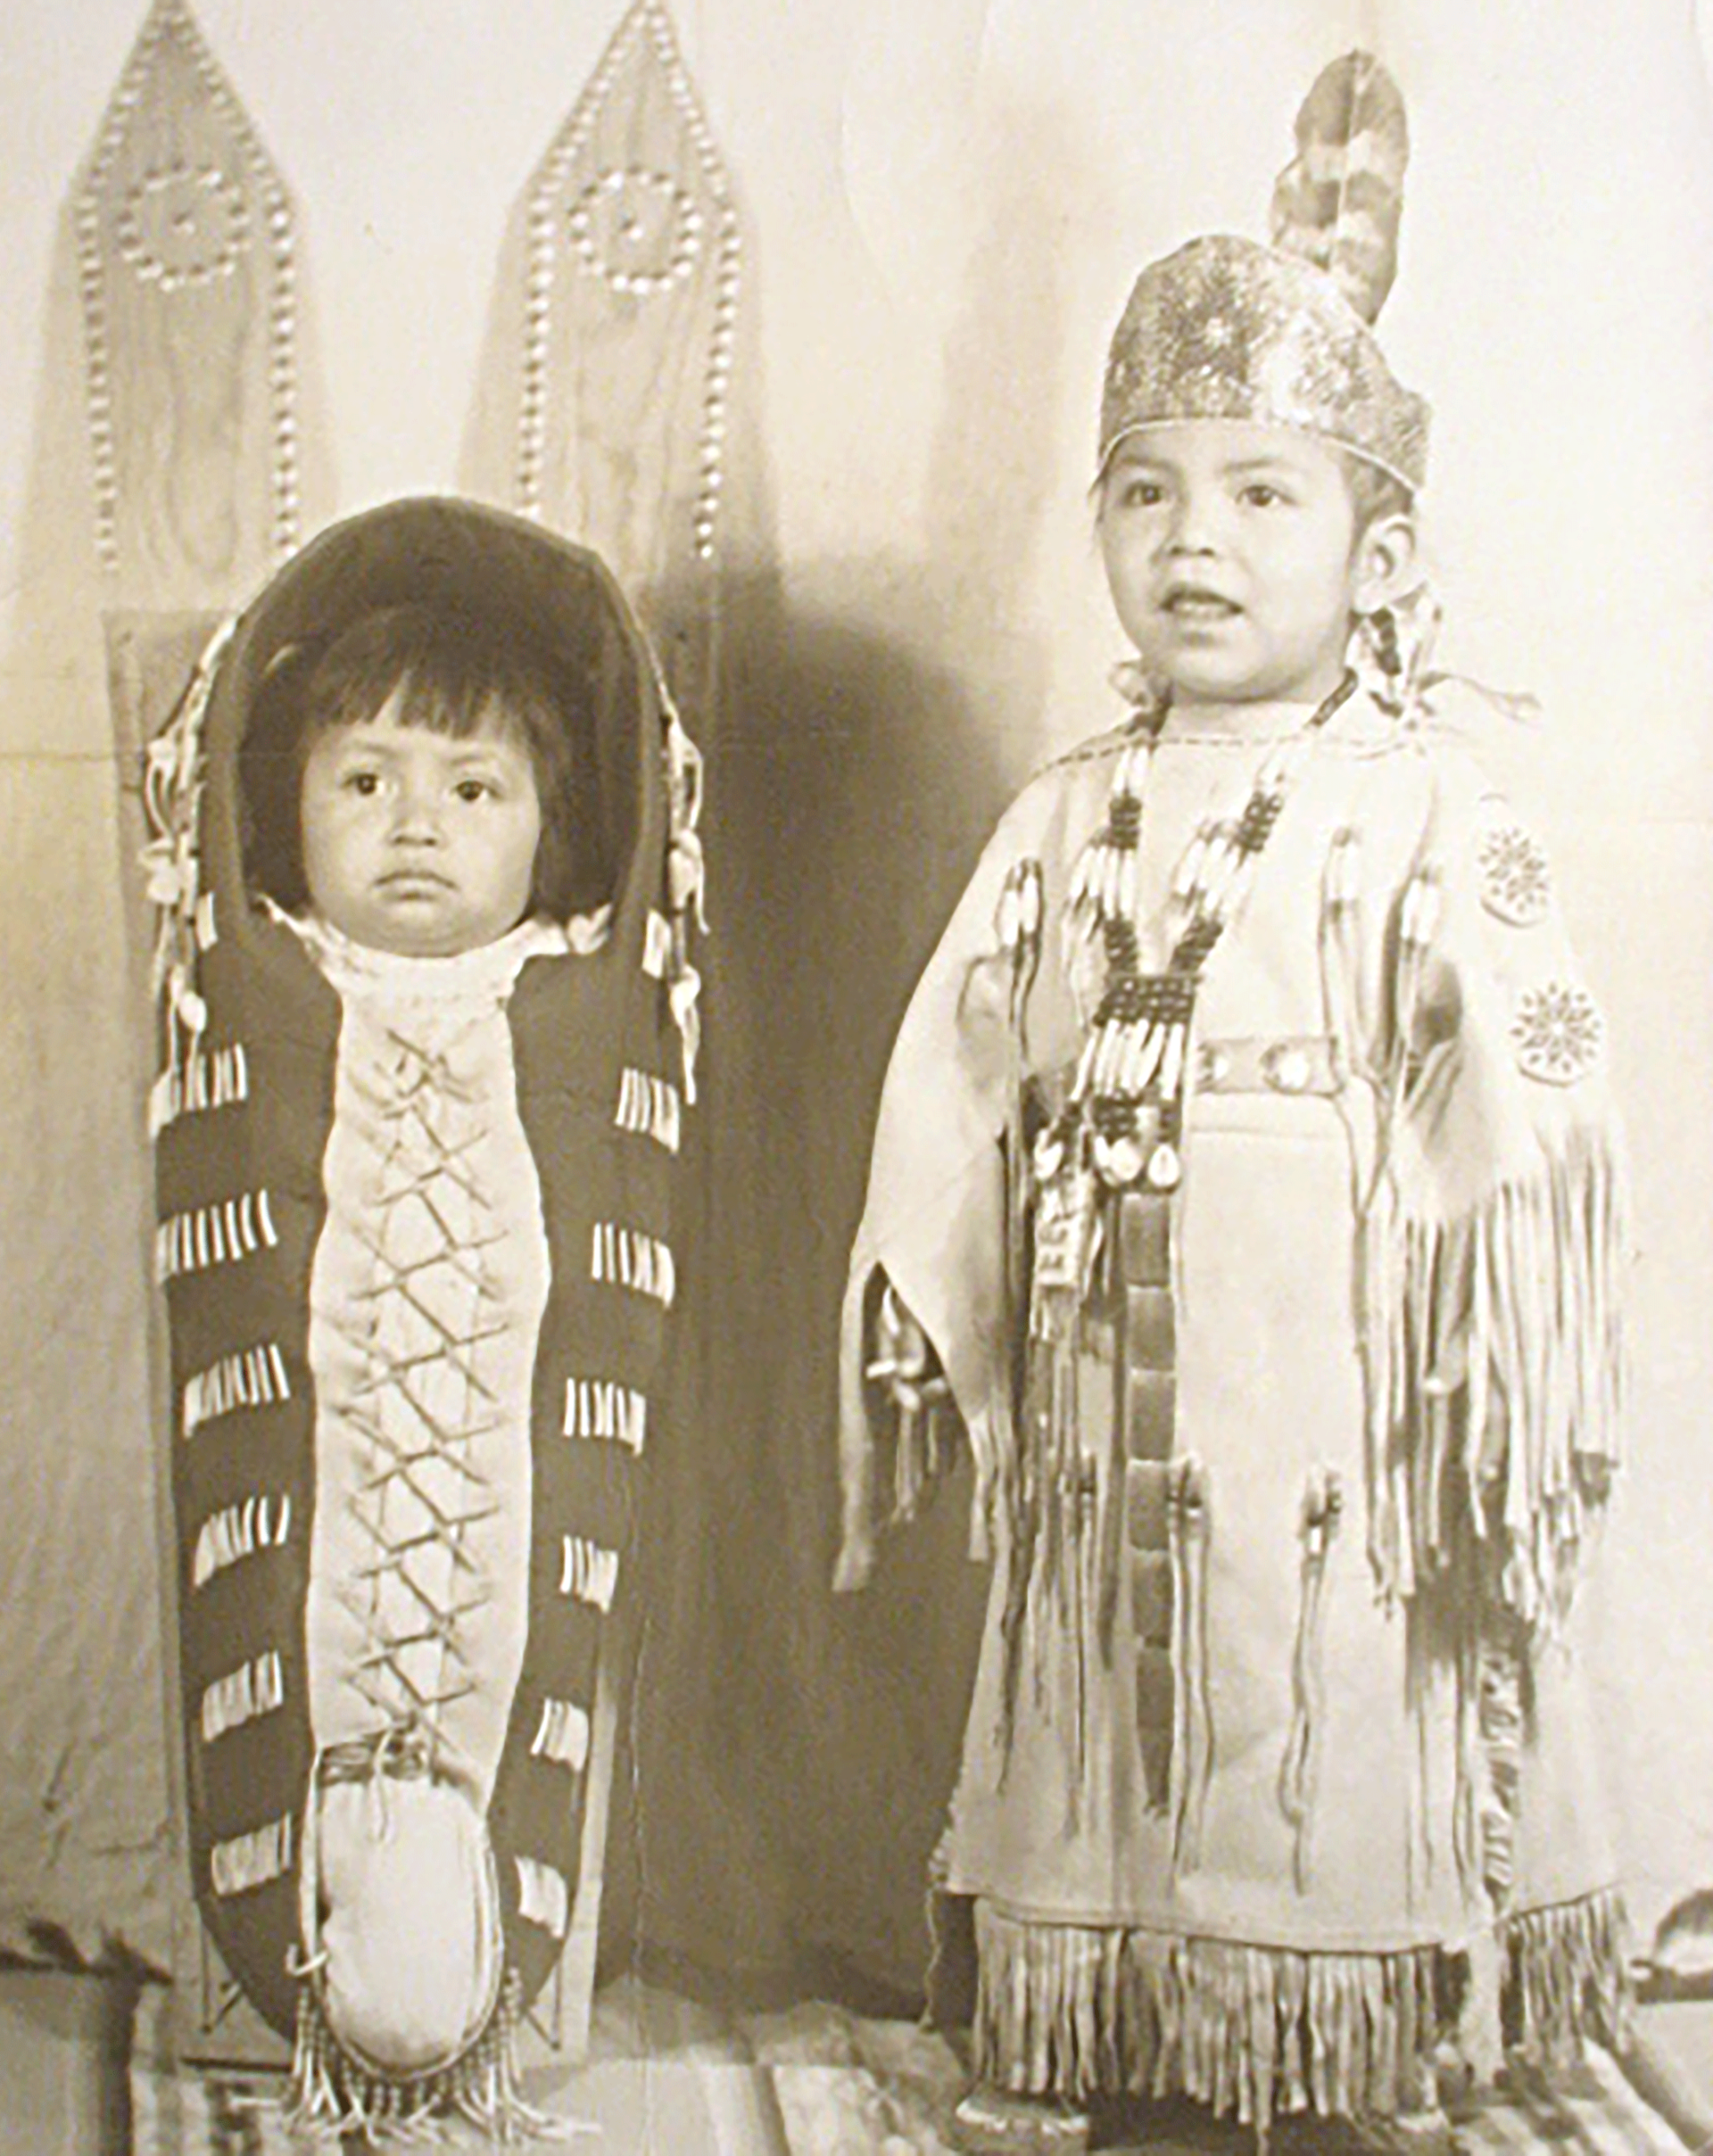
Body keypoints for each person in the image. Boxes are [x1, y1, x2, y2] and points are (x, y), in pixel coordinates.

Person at [836, 54, 1628, 2152]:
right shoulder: (1064, 813)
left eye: (1265, 492)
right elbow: (963, 1050)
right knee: (1110, 1677)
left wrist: (1496, 1315)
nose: (1196, 540)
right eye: (1148, 489)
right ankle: (1135, 2025)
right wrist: (923, 1271)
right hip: (1110, 1370)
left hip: (1335, 1374)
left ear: (1379, 546)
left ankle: (1331, 2041)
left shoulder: (1439, 805)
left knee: (1321, 1671)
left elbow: (1539, 1062)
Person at [142, 499, 704, 2135]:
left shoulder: (584, 1006)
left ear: (550, 823)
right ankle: (309, 1931)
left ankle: (468, 1933)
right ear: (285, 800)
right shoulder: (253, 993)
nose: (414, 827)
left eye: (474, 791)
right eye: (363, 780)